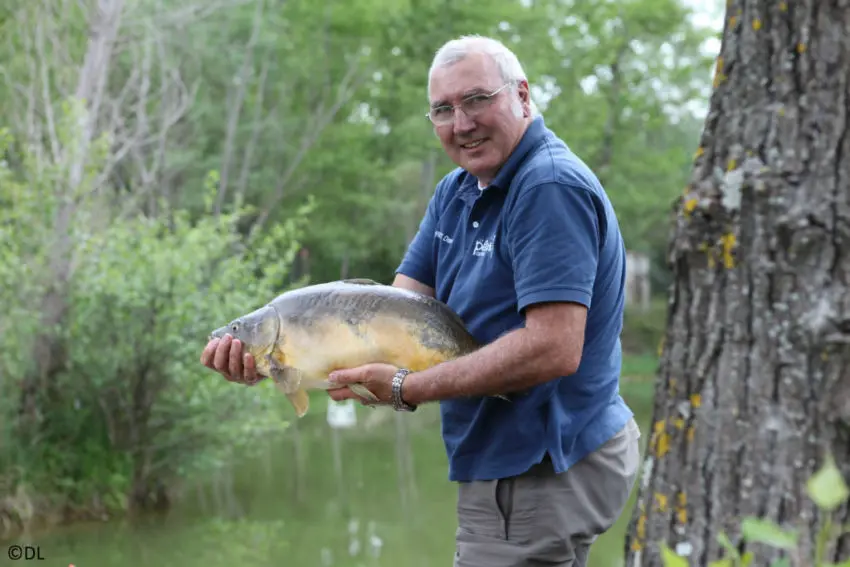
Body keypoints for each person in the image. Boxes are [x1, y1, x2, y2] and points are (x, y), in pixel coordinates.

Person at [200, 34, 641, 567]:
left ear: (522, 96)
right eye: (443, 109)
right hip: (511, 460)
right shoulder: (457, 191)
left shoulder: (547, 186)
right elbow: (391, 311)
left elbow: (554, 348)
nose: (462, 123)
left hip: (542, 463)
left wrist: (409, 387)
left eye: (478, 99)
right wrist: (278, 360)